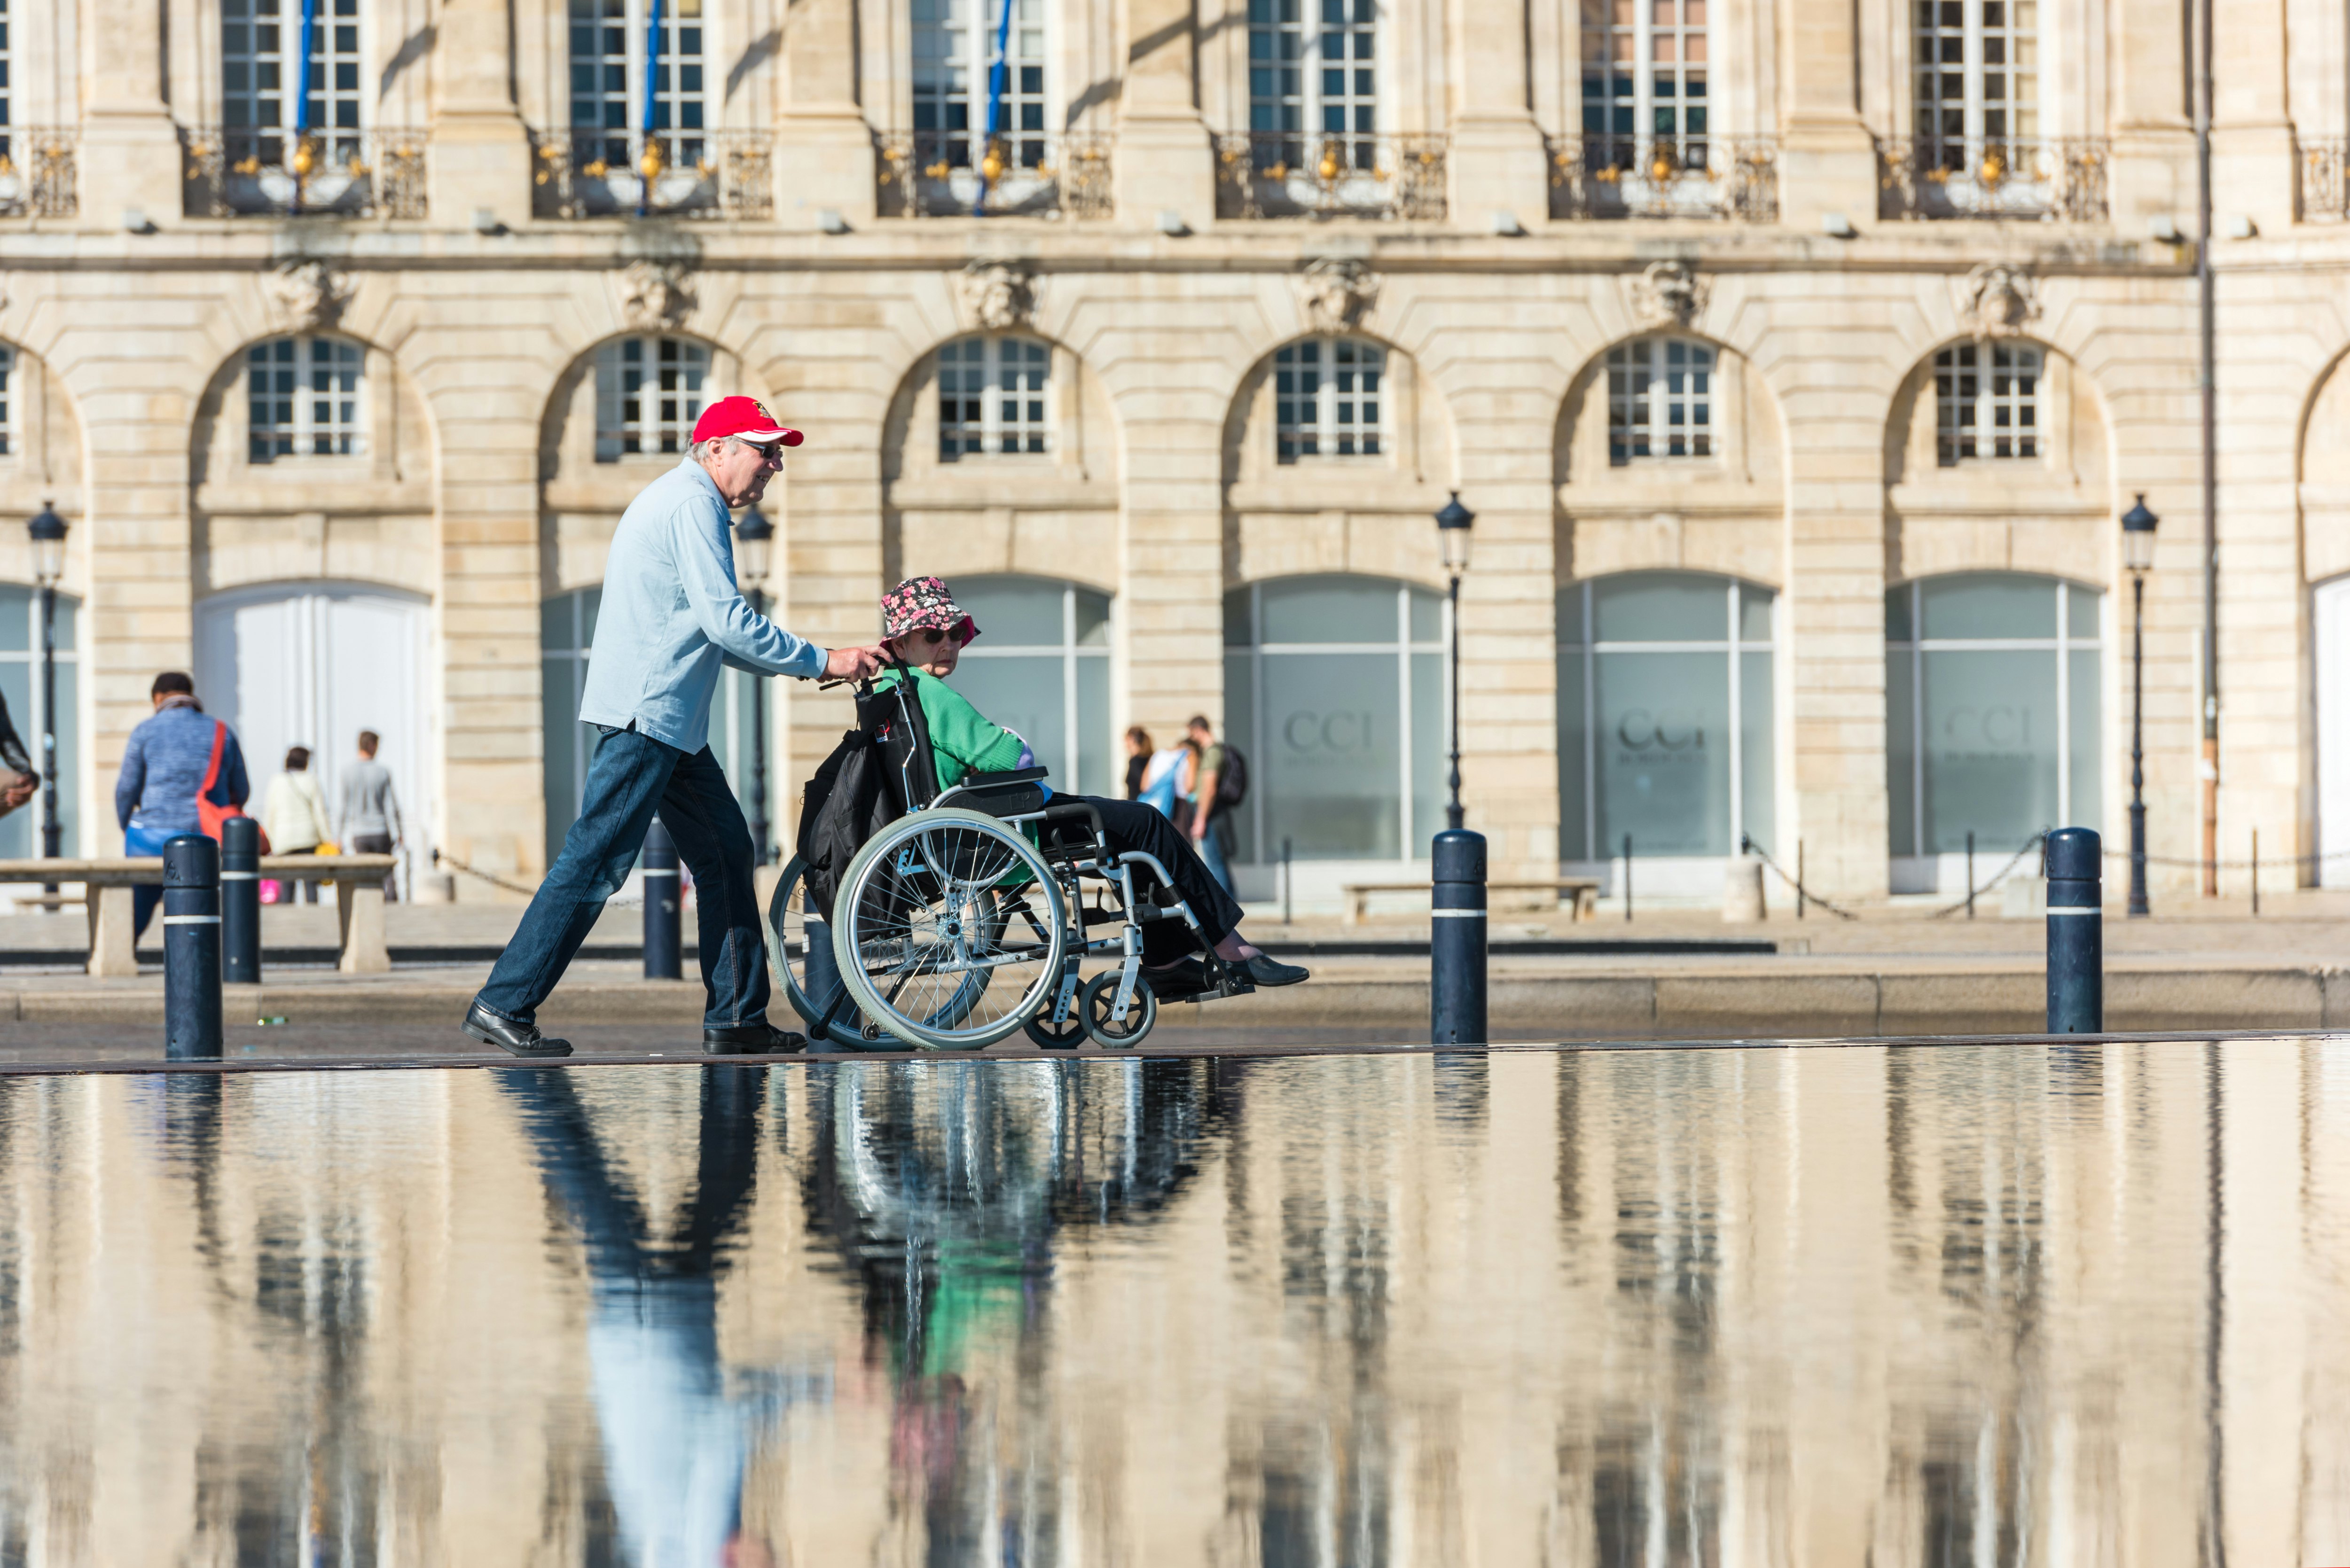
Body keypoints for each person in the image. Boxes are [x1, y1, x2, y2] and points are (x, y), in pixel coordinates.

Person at [462, 396, 886, 1060]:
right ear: (715, 447)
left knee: (726, 853)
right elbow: (727, 622)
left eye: (778, 453)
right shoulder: (695, 504)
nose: (775, 464)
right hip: (647, 716)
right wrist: (825, 658)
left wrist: (813, 666)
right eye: (763, 449)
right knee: (597, 861)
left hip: (668, 721)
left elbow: (720, 636)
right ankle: (505, 1001)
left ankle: (739, 1016)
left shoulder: (686, 498)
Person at [870, 576, 1305, 988]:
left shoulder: (891, 691)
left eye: (955, 633)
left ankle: (1167, 959)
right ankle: (1229, 950)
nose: (947, 643)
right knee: (1145, 824)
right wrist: (1012, 741)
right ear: (902, 643)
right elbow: (1012, 756)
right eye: (932, 635)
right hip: (1003, 829)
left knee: (1130, 825)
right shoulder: (929, 692)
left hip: (966, 828)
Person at [114, 672, 248, 939]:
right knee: (203, 903)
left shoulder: (145, 731)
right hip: (206, 838)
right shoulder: (222, 731)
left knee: (140, 902)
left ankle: (122, 950)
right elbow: (242, 789)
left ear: (158, 698)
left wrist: (126, 826)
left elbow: (126, 789)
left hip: (150, 840)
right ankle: (206, 955)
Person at [339, 730, 405, 901]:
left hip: (360, 833)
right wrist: (399, 831)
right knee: (387, 874)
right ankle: (391, 906)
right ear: (372, 745)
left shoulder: (347, 772)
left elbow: (344, 807)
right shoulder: (382, 771)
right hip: (380, 830)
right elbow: (392, 805)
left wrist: (338, 836)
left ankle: (367, 904)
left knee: (364, 875)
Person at [261, 745, 330, 903]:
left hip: (284, 839)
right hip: (309, 838)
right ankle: (314, 919)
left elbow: (270, 813)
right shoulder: (312, 780)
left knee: (286, 886)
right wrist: (327, 838)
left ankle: (288, 922)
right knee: (311, 884)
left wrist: (268, 841)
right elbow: (320, 813)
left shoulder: (277, 781)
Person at [1183, 714, 1240, 900]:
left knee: (1215, 861)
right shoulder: (1212, 752)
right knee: (1216, 860)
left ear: (1199, 730)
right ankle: (1228, 902)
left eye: (1192, 734)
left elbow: (1209, 789)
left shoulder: (1213, 752)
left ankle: (1226, 904)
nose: (1192, 739)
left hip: (1211, 814)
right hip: (1210, 813)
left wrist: (1200, 819)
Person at [1122, 726, 1152, 801]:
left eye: (1126, 740)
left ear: (1132, 740)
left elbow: (1143, 785)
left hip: (1138, 804)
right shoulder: (1149, 758)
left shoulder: (1135, 761)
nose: (1125, 744)